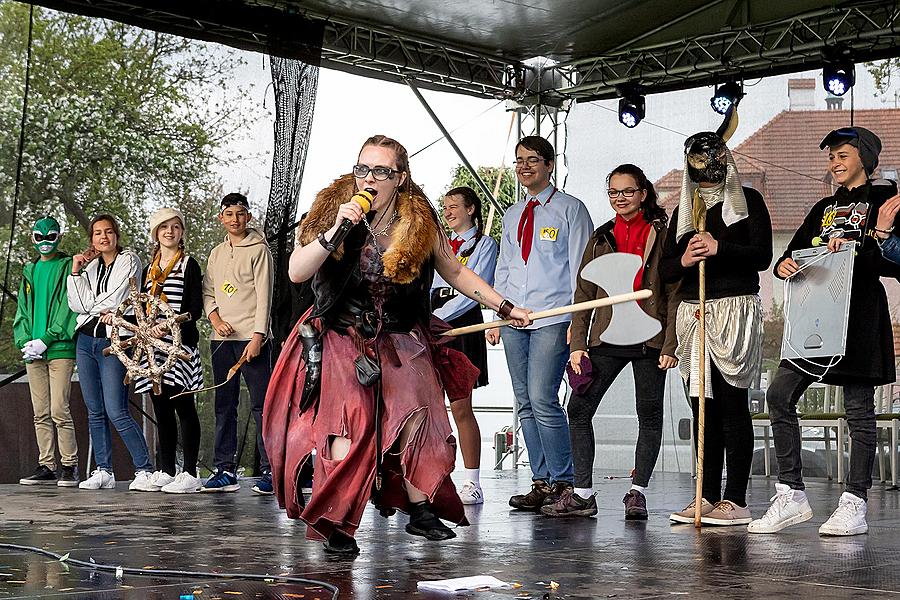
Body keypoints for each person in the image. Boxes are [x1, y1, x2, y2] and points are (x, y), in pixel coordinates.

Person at [267, 134, 531, 555]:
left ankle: (420, 506)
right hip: (342, 333)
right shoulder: (331, 212)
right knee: (348, 425)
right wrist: (339, 227)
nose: (369, 178)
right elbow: (298, 272)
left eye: (380, 171)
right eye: (362, 168)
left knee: (417, 412)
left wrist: (504, 305)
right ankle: (338, 519)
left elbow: (455, 272)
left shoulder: (420, 219)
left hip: (399, 334)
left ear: (400, 178)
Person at [748, 127, 900, 536]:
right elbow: (793, 252)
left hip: (860, 317)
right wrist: (784, 265)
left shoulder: (887, 201)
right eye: (831, 156)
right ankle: (792, 493)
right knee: (779, 394)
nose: (835, 162)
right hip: (816, 317)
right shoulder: (821, 207)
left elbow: (896, 264)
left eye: (843, 155)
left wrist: (881, 235)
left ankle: (855, 502)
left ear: (864, 159)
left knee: (859, 412)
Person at [541, 164, 679, 520]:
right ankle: (583, 493)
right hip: (608, 335)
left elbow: (676, 291)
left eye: (627, 191)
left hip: (650, 337)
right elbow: (583, 293)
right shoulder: (601, 236)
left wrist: (670, 344)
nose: (620, 198)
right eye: (614, 192)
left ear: (643, 193)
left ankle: (638, 493)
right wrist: (577, 346)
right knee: (579, 409)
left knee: (649, 415)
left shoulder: (663, 233)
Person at [660, 122, 772, 526]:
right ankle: (704, 494)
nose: (705, 172)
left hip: (732, 309)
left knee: (730, 403)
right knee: (700, 404)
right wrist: (687, 260)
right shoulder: (685, 210)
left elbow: (761, 255)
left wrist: (720, 248)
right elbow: (667, 269)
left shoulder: (750, 201)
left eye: (711, 162)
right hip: (694, 311)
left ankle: (735, 499)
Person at [489, 135, 593, 511]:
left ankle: (566, 481)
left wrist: (577, 321)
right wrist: (497, 314)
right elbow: (505, 267)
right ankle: (542, 481)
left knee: (543, 398)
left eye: (533, 159)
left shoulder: (570, 209)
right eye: (519, 160)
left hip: (553, 316)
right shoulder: (513, 214)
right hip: (514, 316)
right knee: (523, 402)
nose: (524, 166)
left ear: (550, 165)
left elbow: (582, 269)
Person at [67, 214, 155, 491]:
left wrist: (92, 304)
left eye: (108, 232)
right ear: (91, 239)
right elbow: (76, 303)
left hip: (114, 342)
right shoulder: (90, 268)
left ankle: (145, 469)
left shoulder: (129, 260)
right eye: (97, 233)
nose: (103, 237)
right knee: (94, 410)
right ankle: (104, 470)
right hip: (85, 340)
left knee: (116, 409)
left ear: (116, 235)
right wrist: (75, 270)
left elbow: (118, 298)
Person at [201, 193, 275, 495]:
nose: (235, 219)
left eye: (241, 213)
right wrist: (215, 319)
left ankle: (272, 470)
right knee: (224, 406)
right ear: (221, 218)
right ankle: (224, 470)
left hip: (252, 340)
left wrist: (258, 336)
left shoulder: (259, 250)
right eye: (229, 214)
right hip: (222, 341)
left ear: (248, 216)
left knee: (262, 406)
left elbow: (265, 296)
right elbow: (208, 292)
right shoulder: (216, 253)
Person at [430, 186, 498, 505]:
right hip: (430, 325)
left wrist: (437, 319)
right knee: (425, 405)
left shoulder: (485, 245)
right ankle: (427, 475)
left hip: (461, 324)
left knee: (460, 405)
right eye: (445, 207)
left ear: (471, 209)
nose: (448, 211)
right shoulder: (438, 245)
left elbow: (475, 288)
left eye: (454, 206)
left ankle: (471, 480)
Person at [133, 208, 204, 494]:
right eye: (164, 227)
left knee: (184, 407)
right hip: (152, 349)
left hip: (179, 346)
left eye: (176, 227)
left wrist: (169, 325)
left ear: (182, 232)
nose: (170, 232)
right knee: (161, 409)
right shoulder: (149, 269)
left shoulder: (189, 264)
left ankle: (190, 472)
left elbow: (194, 308)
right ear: (156, 233)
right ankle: (166, 469)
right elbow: (138, 307)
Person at [14, 216, 80, 487]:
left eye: (50, 236)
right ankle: (47, 465)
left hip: (60, 348)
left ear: (58, 237)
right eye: (39, 237)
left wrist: (48, 338)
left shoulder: (66, 266)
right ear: (32, 238)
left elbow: (69, 305)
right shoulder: (29, 270)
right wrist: (25, 341)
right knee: (39, 411)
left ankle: (69, 465)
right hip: (34, 352)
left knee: (58, 409)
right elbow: (22, 307)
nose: (44, 241)